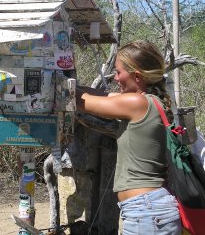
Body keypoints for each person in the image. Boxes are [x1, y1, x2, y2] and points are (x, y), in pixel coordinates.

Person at [76, 40, 182, 235]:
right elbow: (101, 95)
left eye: (119, 72)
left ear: (137, 76)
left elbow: (82, 102)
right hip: (148, 211)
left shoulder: (137, 103)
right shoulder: (150, 101)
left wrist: (52, 82)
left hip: (147, 213)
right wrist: (70, 84)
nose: (115, 78)